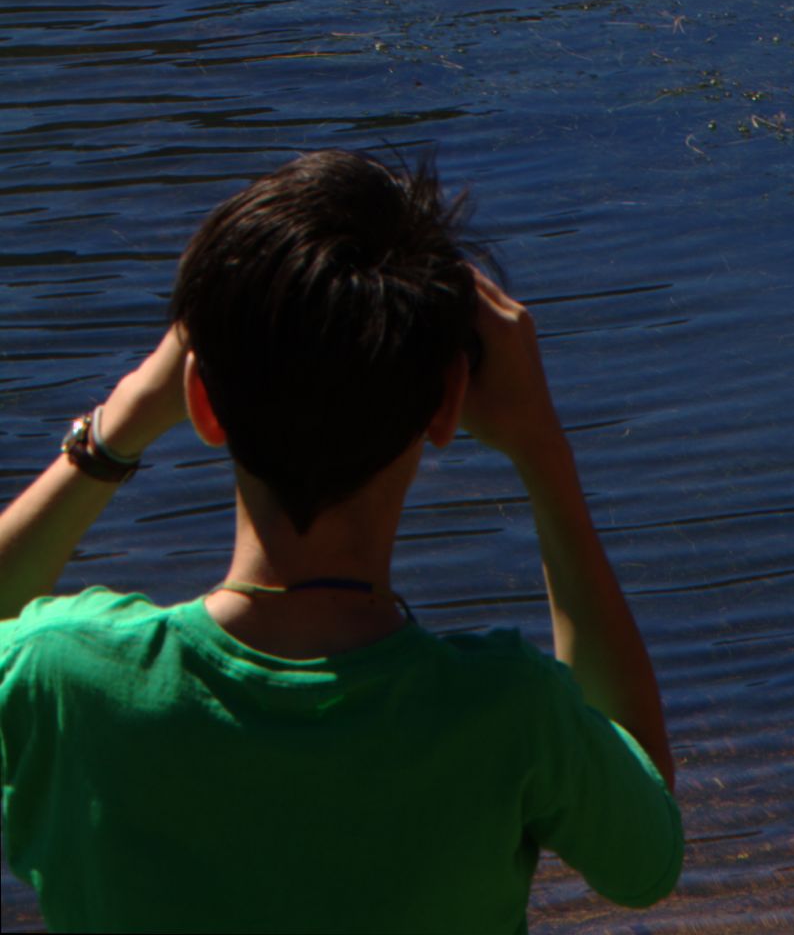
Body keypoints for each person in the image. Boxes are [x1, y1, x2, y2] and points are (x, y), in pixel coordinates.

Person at [0, 150, 683, 934]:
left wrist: (115, 430)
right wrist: (542, 453)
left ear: (200, 401)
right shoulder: (509, 713)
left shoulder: (64, 679)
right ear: (445, 404)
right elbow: (646, 858)